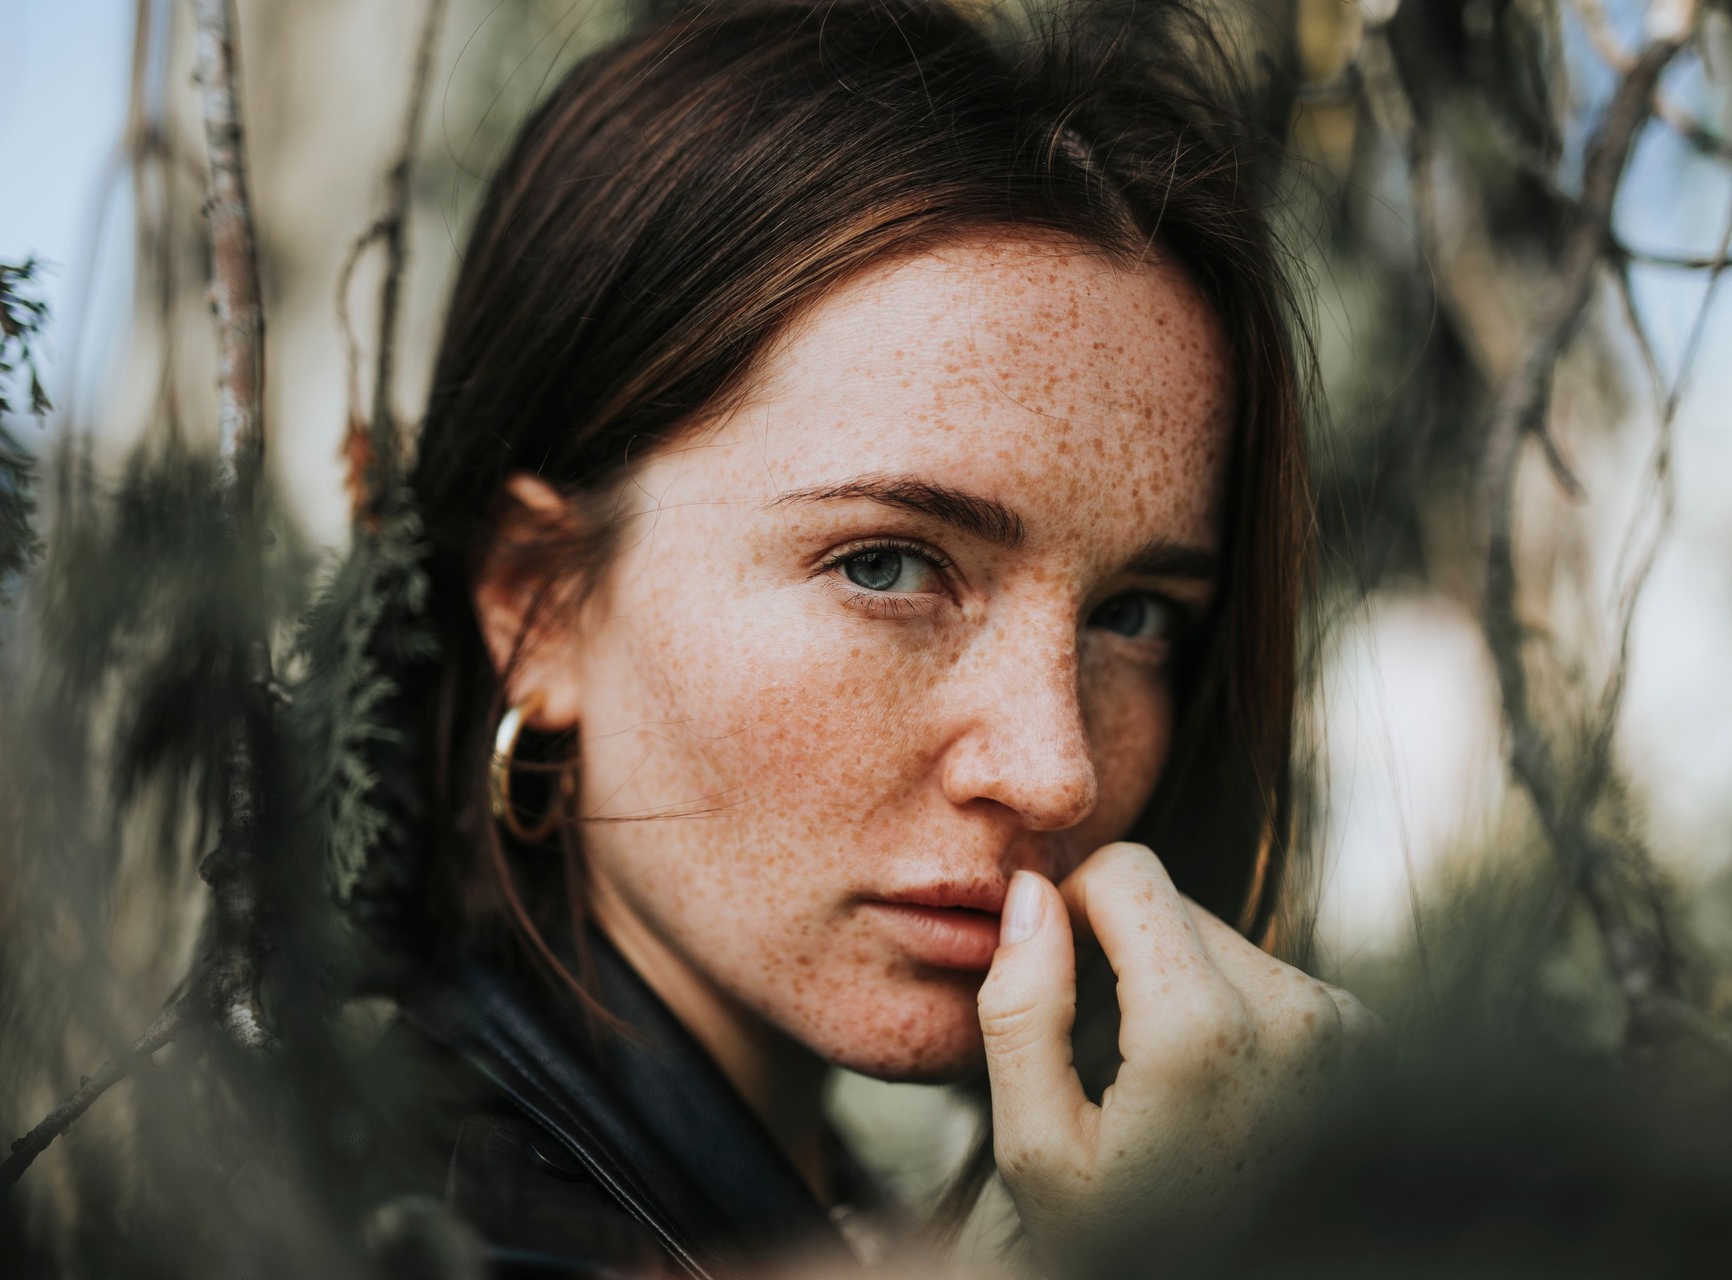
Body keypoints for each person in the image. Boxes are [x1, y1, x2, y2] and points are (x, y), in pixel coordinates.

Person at [379, 0, 1379, 1275]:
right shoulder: (423, 1228)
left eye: (1133, 615)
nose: (1055, 770)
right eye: (887, 564)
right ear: (543, 604)